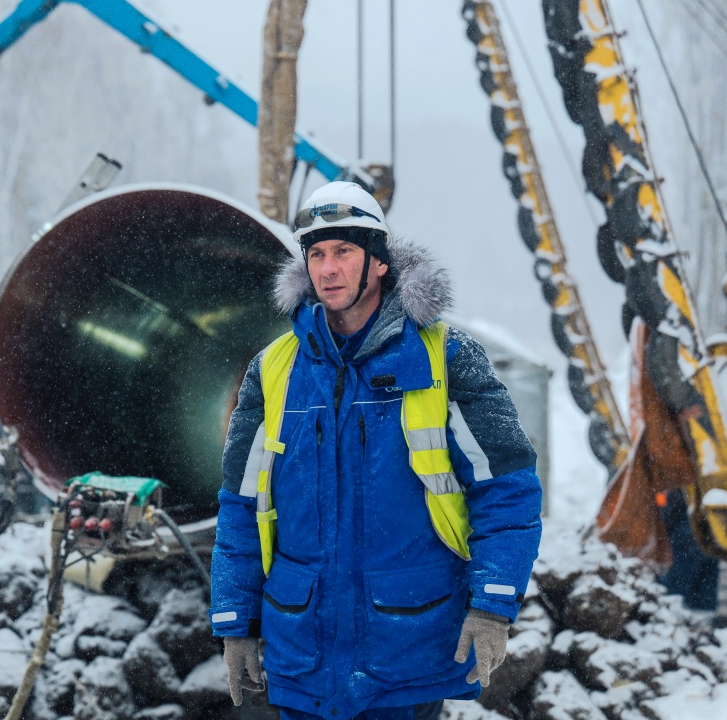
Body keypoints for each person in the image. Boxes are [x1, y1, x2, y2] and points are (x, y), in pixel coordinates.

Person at [209, 181, 543, 720]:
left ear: (380, 262)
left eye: (343, 251)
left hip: (408, 645)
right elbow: (242, 505)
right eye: (316, 254)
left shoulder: (445, 357)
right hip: (304, 647)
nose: (328, 269)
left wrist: (492, 603)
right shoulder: (273, 369)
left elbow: (507, 489)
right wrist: (234, 622)